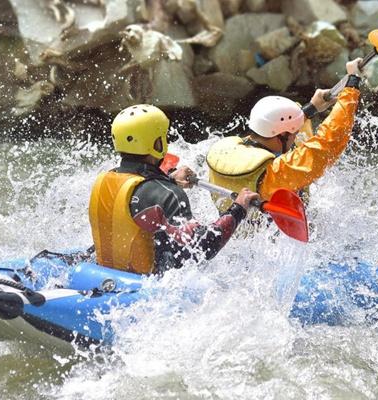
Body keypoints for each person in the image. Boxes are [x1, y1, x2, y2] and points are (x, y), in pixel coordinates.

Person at [88, 104, 259, 274]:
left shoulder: (104, 179)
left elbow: (138, 195)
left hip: (99, 276)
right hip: (145, 290)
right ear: (158, 144)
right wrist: (238, 208)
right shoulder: (168, 195)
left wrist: (168, 178)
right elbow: (203, 247)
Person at [206, 58, 362, 211]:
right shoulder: (277, 173)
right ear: (282, 134)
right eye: (294, 132)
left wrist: (312, 108)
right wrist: (352, 86)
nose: (296, 135)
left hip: (234, 226)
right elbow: (330, 142)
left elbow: (279, 127)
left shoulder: (234, 150)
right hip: (266, 232)